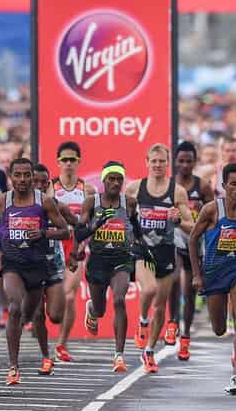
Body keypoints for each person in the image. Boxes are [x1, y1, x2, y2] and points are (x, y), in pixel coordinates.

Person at [0, 157, 71, 384]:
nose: (22, 180)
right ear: (10, 177)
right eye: (17, 175)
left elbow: (65, 231)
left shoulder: (44, 202)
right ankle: (13, 367)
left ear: (32, 177)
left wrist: (43, 233)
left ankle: (34, 345)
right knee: (14, 306)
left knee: (32, 314)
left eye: (26, 175)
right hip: (13, 264)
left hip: (38, 266)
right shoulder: (3, 201)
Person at [188, 162, 236, 395]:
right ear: (223, 186)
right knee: (219, 329)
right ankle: (235, 347)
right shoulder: (211, 210)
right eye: (233, 184)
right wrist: (196, 274)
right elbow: (193, 240)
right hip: (213, 273)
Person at [127, 144, 193, 373]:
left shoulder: (177, 192)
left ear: (168, 163)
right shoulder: (135, 189)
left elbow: (191, 228)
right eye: (153, 161)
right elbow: (122, 218)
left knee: (160, 308)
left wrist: (177, 221)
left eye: (162, 161)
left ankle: (150, 351)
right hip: (143, 251)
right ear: (146, 162)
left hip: (166, 252)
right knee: (148, 290)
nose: (157, 165)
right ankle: (142, 321)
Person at [77, 162, 140, 373]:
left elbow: (137, 228)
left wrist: (142, 248)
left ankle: (119, 355)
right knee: (101, 309)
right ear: (103, 181)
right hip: (97, 262)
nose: (115, 183)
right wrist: (93, 227)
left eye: (119, 179)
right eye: (111, 179)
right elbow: (79, 233)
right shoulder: (91, 202)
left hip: (121, 260)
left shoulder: (129, 203)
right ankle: (92, 310)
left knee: (120, 300)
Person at [51, 141, 92, 364]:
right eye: (64, 160)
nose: (68, 163)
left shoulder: (87, 190)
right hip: (52, 249)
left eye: (72, 160)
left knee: (68, 295)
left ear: (78, 162)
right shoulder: (50, 188)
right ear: (58, 162)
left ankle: (62, 344)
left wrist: (83, 242)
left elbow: (90, 224)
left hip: (75, 249)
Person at [172, 141, 214, 354]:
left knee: (188, 292)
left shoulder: (203, 186)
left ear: (195, 162)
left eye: (189, 161)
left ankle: (186, 334)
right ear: (176, 162)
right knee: (173, 278)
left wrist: (200, 213)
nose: (185, 165)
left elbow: (213, 216)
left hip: (195, 240)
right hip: (174, 237)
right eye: (181, 161)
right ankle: (172, 323)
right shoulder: (169, 185)